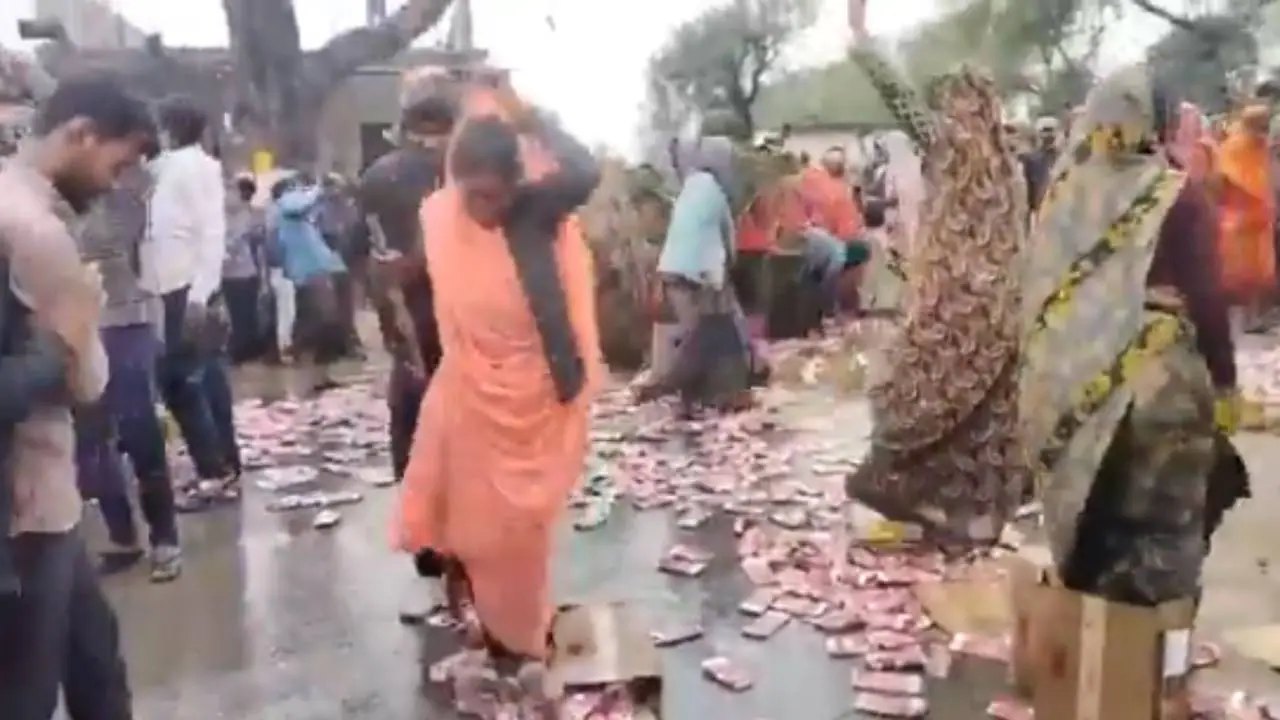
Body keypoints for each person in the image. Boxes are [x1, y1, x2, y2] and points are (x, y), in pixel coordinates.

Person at [395, 81, 601, 710]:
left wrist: (527, 114)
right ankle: (478, 620)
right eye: (469, 194)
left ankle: (518, 635)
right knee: (459, 520)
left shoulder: (537, 212)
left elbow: (585, 169)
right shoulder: (443, 218)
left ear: (518, 185)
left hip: (535, 391)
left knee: (519, 532)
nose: (479, 209)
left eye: (491, 196)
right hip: (467, 388)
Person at [1019, 64, 1242, 606]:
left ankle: (1085, 640)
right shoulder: (1175, 195)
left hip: (1071, 386)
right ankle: (1147, 650)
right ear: (1156, 121)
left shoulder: (1063, 193)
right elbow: (1207, 298)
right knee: (1163, 538)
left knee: (1092, 528)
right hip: (1158, 385)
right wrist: (1225, 384)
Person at [842, 0, 1029, 545]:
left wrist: (861, 37)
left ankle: (897, 483)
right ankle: (966, 516)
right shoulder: (1012, 166)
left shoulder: (948, 146)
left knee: (923, 393)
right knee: (983, 416)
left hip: (951, 303)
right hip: (997, 314)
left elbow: (900, 98)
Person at [0, 74, 150, 720]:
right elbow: (86, 381)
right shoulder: (36, 231)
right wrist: (83, 316)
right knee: (27, 691)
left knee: (95, 660)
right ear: (80, 135)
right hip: (30, 504)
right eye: (116, 164)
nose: (114, 184)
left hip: (46, 495)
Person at [76, 157, 184, 580]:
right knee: (90, 445)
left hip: (127, 322)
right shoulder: (47, 198)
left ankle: (164, 538)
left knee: (140, 432)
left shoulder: (131, 191)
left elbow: (146, 246)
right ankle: (122, 537)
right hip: (75, 328)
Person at [145, 97, 238, 509]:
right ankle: (223, 465)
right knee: (204, 380)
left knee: (180, 383)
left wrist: (200, 295)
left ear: (167, 128)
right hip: (184, 286)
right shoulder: (170, 167)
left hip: (182, 287)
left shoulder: (190, 167)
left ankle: (214, 471)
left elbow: (211, 233)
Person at [640, 136, 765, 410]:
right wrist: (729, 266)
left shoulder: (688, 187)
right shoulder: (717, 193)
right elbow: (728, 238)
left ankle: (688, 392)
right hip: (700, 275)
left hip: (670, 269)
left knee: (693, 332)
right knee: (705, 335)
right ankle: (677, 386)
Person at [271, 176, 346, 389]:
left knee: (323, 322)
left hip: (318, 269)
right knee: (317, 321)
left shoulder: (302, 217)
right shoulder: (287, 205)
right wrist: (318, 187)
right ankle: (308, 372)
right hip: (308, 272)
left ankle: (319, 375)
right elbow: (298, 203)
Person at [1215, 104, 1276, 333]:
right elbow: (1225, 179)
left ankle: (1253, 318)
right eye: (1261, 125)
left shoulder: (1260, 145)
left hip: (1259, 218)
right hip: (1238, 219)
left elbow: (1266, 177)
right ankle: (1239, 320)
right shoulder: (1235, 146)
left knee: (1259, 273)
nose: (1264, 131)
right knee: (1239, 274)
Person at [222, 173, 268, 364]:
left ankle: (247, 350)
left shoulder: (250, 214)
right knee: (240, 314)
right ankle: (243, 350)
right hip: (234, 273)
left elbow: (259, 243)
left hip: (245, 271)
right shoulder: (228, 215)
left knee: (246, 313)